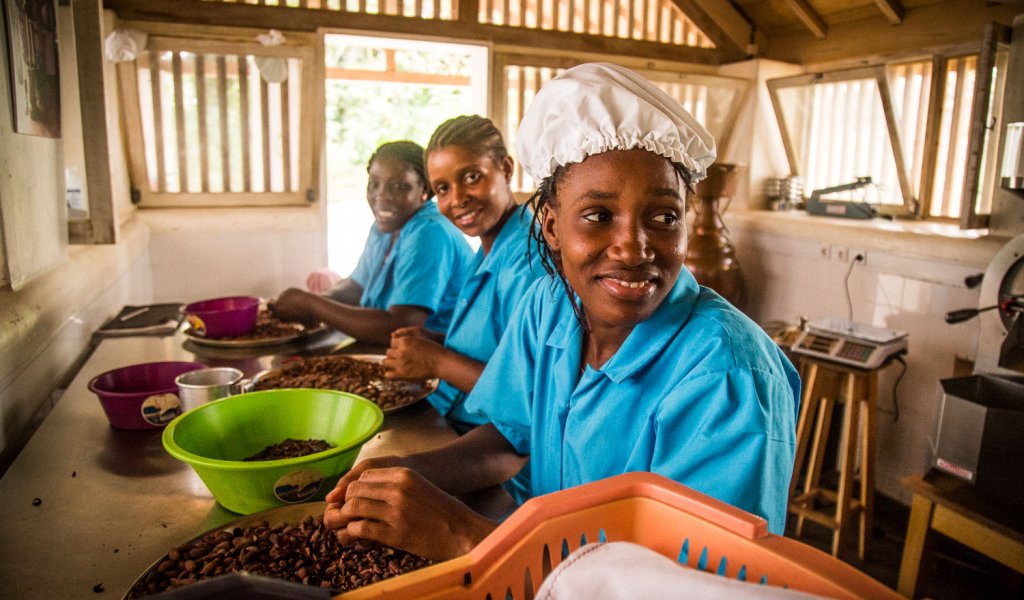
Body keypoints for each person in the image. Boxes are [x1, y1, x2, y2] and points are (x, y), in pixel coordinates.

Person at [321, 63, 800, 562]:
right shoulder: (551, 306)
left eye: (663, 217)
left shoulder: (728, 376)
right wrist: (407, 471)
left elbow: (690, 586)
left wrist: (464, 535)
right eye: (598, 216)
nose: (633, 248)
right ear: (550, 225)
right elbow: (510, 437)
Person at [382, 115, 547, 437]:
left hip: (497, 445)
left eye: (472, 177)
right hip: (452, 414)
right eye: (443, 188)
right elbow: (500, 347)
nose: (457, 199)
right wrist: (437, 342)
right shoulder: (488, 248)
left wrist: (439, 361)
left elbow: (531, 398)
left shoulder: (528, 266)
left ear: (506, 169)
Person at [271, 141, 474, 345]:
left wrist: (313, 305)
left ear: (425, 190)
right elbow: (356, 287)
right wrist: (309, 303)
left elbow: (400, 328)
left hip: (438, 357)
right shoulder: (385, 227)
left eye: (398, 186)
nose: (382, 196)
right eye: (374, 184)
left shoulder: (429, 232)